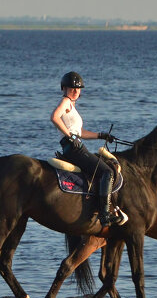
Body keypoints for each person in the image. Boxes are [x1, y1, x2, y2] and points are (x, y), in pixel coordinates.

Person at [50, 71, 125, 226]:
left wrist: (101, 135)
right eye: (72, 88)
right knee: (107, 172)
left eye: (78, 89)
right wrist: (70, 136)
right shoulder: (65, 101)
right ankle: (104, 214)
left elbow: (81, 133)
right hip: (73, 147)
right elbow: (54, 117)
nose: (76, 91)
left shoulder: (72, 106)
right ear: (64, 88)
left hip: (76, 144)